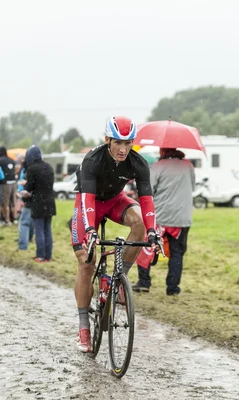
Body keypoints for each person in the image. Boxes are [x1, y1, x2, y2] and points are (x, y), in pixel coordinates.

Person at [71, 116, 158, 353]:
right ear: (107, 139)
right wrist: (90, 230)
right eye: (118, 142)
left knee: (139, 223)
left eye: (128, 143)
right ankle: (83, 327)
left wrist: (152, 231)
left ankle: (120, 280)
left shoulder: (138, 163)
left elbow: (147, 201)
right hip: (89, 203)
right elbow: (87, 200)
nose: (123, 149)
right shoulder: (93, 159)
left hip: (114, 200)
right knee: (86, 263)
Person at [132, 148, 195, 295]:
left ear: (163, 151)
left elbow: (148, 189)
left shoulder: (158, 166)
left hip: (159, 217)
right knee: (177, 253)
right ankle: (172, 288)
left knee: (147, 248)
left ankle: (144, 282)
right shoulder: (188, 165)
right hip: (181, 218)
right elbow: (193, 186)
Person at [21, 146, 56, 262]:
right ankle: (48, 256)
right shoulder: (49, 167)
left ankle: (40, 255)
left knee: (39, 230)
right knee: (47, 229)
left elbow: (29, 188)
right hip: (50, 202)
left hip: (38, 203)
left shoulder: (32, 169)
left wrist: (24, 188)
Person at [0, 146, 17, 225]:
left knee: (5, 202)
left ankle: (7, 220)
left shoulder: (0, 161)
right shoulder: (12, 160)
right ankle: (14, 219)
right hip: (13, 182)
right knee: (13, 202)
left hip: (5, 183)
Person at [17, 157, 34, 250]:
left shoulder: (28, 171)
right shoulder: (42, 168)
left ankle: (23, 245)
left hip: (27, 198)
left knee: (24, 222)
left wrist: (24, 188)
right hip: (37, 200)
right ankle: (29, 238)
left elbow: (30, 185)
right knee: (31, 221)